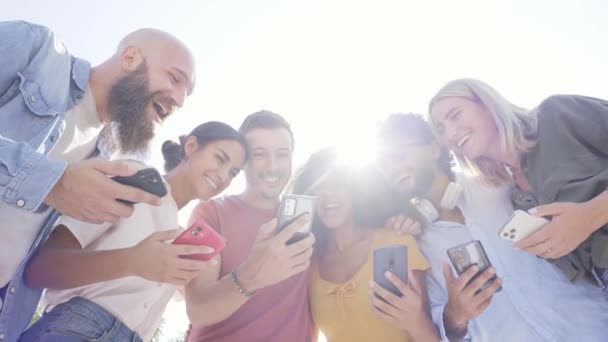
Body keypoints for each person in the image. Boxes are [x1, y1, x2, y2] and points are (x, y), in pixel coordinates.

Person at [0, 21, 196, 340]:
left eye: (187, 93)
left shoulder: (101, 160)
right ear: (130, 57)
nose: (180, 99)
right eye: (175, 78)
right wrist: (52, 182)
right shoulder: (37, 49)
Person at [377, 113, 608, 341]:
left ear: (433, 149)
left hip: (592, 328)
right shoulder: (411, 241)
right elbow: (439, 326)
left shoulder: (500, 180)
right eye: (383, 165)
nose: (390, 169)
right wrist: (454, 315)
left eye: (397, 155)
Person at [19, 121, 246, 342]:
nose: (223, 176)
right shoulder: (134, 178)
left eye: (233, 173)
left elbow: (202, 306)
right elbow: (40, 268)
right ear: (192, 146)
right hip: (79, 327)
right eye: (220, 158)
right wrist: (132, 261)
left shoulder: (179, 237)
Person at [428, 79, 608, 290]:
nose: (450, 134)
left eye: (455, 116)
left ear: (487, 105)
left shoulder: (556, 114)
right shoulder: (515, 197)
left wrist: (591, 214)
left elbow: (584, 222)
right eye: (441, 130)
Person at [184, 110, 316, 342]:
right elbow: (198, 310)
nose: (272, 166)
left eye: (282, 154)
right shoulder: (210, 213)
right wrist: (251, 275)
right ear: (244, 161)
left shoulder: (308, 219)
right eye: (260, 154)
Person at [290, 148, 438, 342]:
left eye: (338, 185)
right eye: (318, 187)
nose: (328, 196)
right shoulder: (308, 263)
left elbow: (429, 335)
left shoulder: (395, 241)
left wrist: (415, 321)